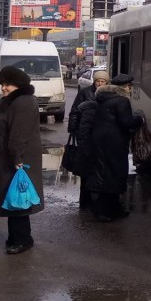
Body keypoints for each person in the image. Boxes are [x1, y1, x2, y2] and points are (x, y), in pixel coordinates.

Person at [0, 65, 44, 255]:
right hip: (9, 158)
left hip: (18, 160)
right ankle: (17, 237)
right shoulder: (13, 101)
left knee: (18, 198)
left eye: (8, 85)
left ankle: (22, 240)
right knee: (13, 198)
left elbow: (19, 135)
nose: (4, 88)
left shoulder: (23, 102)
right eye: (2, 84)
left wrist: (17, 158)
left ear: (19, 84)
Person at [86, 74, 143, 222]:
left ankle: (113, 208)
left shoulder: (105, 97)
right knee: (114, 174)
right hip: (114, 142)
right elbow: (127, 122)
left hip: (101, 140)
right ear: (125, 87)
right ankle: (104, 210)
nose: (131, 88)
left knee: (106, 173)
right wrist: (139, 119)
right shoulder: (122, 100)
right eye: (130, 86)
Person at [68, 69, 108, 209]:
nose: (100, 84)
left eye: (103, 81)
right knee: (85, 167)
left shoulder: (107, 94)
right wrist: (73, 128)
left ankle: (95, 200)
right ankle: (85, 202)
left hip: (99, 135)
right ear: (94, 81)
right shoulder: (85, 92)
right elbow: (75, 111)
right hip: (85, 133)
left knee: (96, 168)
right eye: (98, 81)